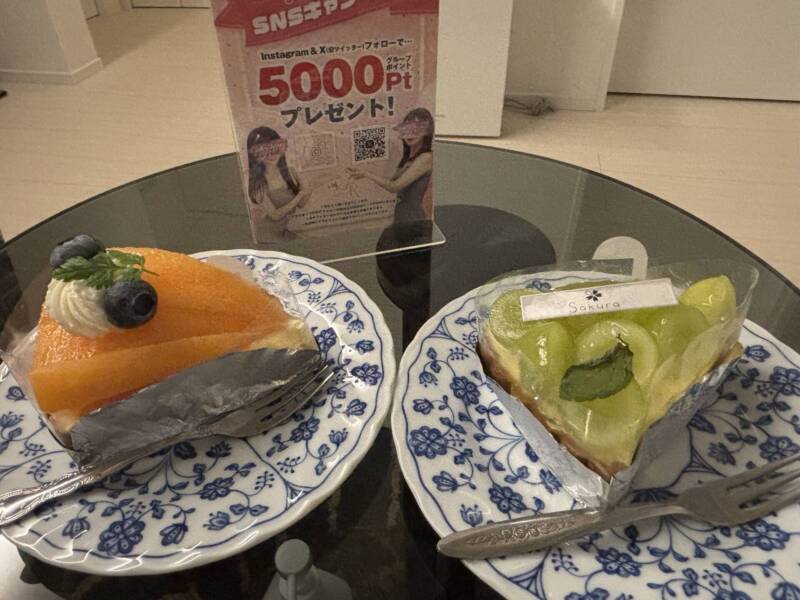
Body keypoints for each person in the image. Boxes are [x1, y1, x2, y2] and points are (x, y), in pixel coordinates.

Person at [347, 108, 434, 223]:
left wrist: (366, 174)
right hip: (401, 214)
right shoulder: (409, 157)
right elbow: (392, 181)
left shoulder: (425, 158)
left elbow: (394, 187)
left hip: (412, 217)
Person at [247, 127, 310, 242]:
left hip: (283, 231)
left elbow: (302, 204)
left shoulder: (290, 171)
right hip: (266, 235)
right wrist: (300, 195)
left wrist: (306, 185)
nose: (271, 155)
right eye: (263, 151)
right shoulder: (258, 183)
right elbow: (275, 215)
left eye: (274, 148)